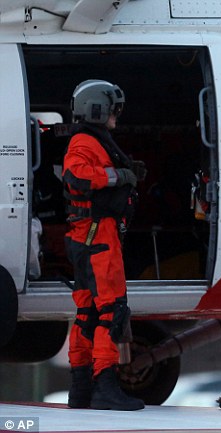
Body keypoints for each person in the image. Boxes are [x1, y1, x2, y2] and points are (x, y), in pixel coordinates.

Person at [63, 79, 145, 411]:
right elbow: (78, 177)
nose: (116, 116)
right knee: (112, 312)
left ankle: (81, 388)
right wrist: (119, 177)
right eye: (113, 109)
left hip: (85, 237)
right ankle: (105, 386)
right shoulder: (84, 142)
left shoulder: (92, 140)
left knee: (87, 313)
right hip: (98, 237)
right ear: (98, 109)